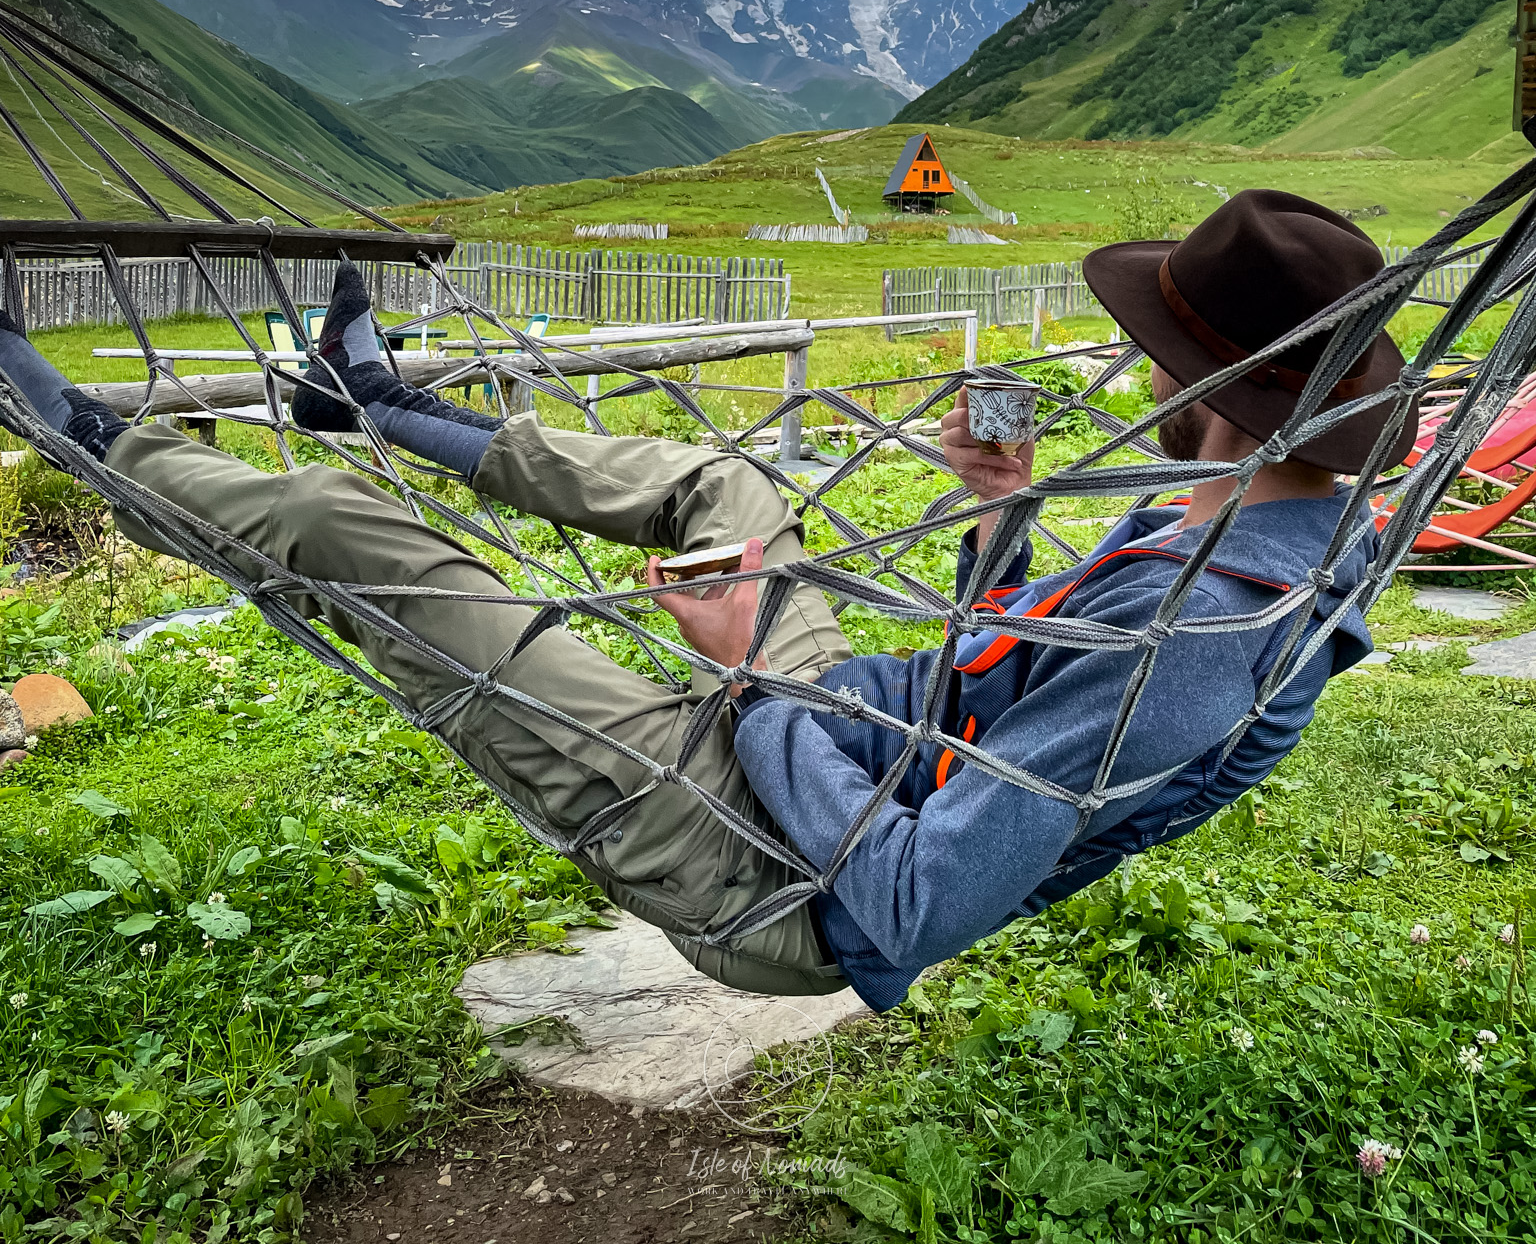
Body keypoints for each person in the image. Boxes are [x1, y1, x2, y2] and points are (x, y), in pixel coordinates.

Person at [0, 190, 1411, 1013]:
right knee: (727, 486)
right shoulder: (1239, 517)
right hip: (835, 735)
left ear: (1217, 384)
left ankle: (84, 433)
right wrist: (1000, 511)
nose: (1138, 359)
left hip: (771, 868)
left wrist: (745, 679)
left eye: (1155, 338)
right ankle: (371, 398)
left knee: (349, 538)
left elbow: (916, 900)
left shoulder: (1208, 641)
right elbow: (1011, 672)